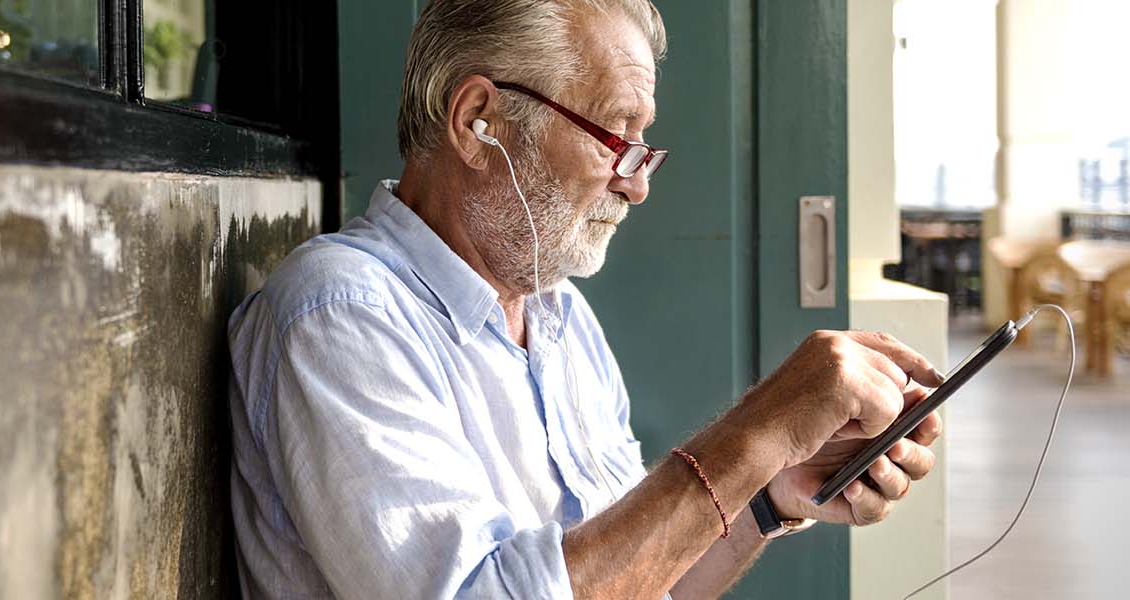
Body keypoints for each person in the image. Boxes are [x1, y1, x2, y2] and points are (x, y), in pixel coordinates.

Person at [226, 0, 945, 598]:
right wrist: (757, 432)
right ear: (479, 120)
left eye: (644, 146)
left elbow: (637, 579)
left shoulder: (559, 316)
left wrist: (766, 492)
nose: (637, 184)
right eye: (614, 137)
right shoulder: (340, 316)